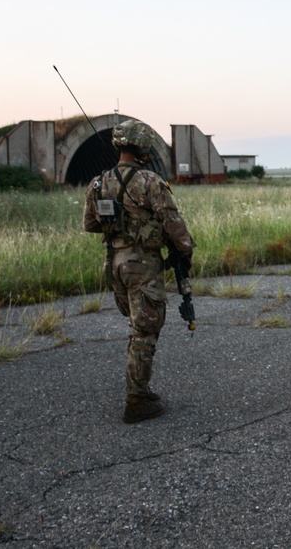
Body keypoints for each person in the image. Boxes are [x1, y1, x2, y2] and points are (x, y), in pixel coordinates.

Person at [83, 119, 196, 424]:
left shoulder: (98, 182)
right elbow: (175, 225)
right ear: (143, 146)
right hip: (142, 265)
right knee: (144, 331)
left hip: (114, 263)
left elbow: (90, 224)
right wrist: (185, 252)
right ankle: (137, 398)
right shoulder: (150, 182)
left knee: (136, 327)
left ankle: (139, 387)